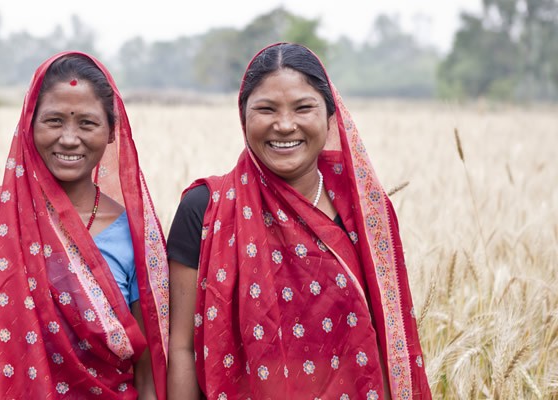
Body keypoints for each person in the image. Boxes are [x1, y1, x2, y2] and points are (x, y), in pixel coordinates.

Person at [166, 43, 432, 400]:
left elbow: (390, 335)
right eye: (266, 109)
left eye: (303, 107)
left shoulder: (366, 212)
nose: (285, 125)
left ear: (330, 117)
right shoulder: (206, 210)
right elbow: (181, 346)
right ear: (243, 116)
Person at [0, 52, 169, 399]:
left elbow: (147, 371)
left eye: (87, 123)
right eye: (54, 121)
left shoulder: (136, 236)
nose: (69, 138)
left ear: (110, 133)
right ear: (29, 126)